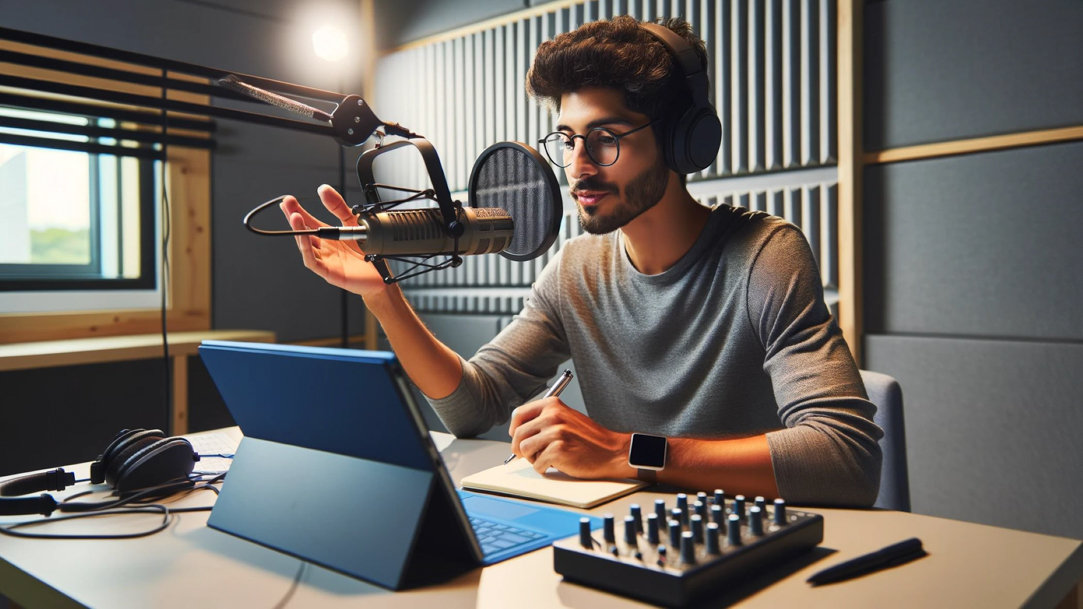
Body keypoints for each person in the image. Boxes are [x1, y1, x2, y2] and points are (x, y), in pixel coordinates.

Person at [280, 16, 882, 506]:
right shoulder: (575, 270)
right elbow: (473, 405)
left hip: (746, 543)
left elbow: (845, 458)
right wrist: (382, 295)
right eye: (567, 139)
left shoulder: (764, 256)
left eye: (607, 137)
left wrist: (626, 452)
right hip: (629, 536)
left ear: (681, 141)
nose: (578, 166)